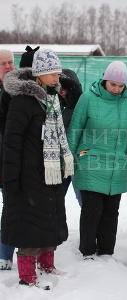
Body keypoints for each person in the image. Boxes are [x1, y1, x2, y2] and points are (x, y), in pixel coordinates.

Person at [1, 49, 73, 288]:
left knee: (49, 220)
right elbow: (12, 141)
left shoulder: (52, 99)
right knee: (30, 225)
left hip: (49, 172)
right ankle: (27, 274)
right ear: (39, 75)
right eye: (52, 74)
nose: (56, 78)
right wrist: (11, 178)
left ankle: (47, 263)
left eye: (58, 74)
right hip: (29, 175)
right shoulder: (23, 101)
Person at [67, 61, 127, 259]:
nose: (116, 89)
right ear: (105, 80)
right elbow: (75, 129)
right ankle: (88, 252)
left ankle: (107, 253)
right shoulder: (88, 98)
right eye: (113, 85)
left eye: (121, 86)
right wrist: (69, 158)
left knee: (111, 211)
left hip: (118, 163)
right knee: (92, 210)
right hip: (90, 161)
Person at [58, 69, 83, 206]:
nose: (61, 91)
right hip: (60, 161)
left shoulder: (82, 105)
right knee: (55, 200)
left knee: (84, 199)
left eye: (65, 88)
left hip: (78, 161)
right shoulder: (58, 104)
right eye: (59, 88)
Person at [0, 49, 15, 270]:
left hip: (9, 158)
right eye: (3, 63)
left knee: (10, 207)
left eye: (11, 62)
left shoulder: (18, 90)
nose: (8, 66)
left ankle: (5, 254)